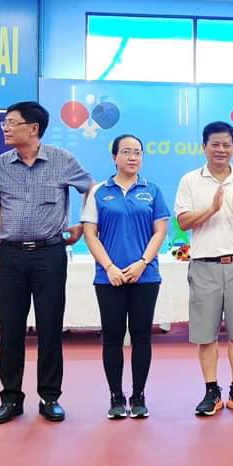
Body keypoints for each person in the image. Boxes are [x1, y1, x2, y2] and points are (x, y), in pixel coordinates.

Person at [0, 101, 94, 424]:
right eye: (4, 123)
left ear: (33, 128)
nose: (5, 128)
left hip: (50, 254)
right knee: (11, 330)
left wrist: (82, 225)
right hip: (11, 255)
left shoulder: (62, 160)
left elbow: (91, 189)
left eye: (11, 123)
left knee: (49, 328)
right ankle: (11, 398)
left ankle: (49, 397)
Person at [174, 121, 233, 416]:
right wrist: (212, 209)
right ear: (204, 146)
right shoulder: (190, 180)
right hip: (204, 265)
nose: (221, 150)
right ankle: (211, 391)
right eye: (215, 144)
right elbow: (184, 222)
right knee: (205, 333)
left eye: (226, 145)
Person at [81, 134, 169, 420]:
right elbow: (90, 234)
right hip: (110, 278)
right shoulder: (99, 192)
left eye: (138, 153)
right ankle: (116, 397)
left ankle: (139, 396)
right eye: (126, 152)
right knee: (113, 338)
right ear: (114, 157)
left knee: (142, 337)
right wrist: (109, 267)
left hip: (145, 276)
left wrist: (143, 263)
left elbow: (160, 232)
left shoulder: (152, 191)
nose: (133, 157)